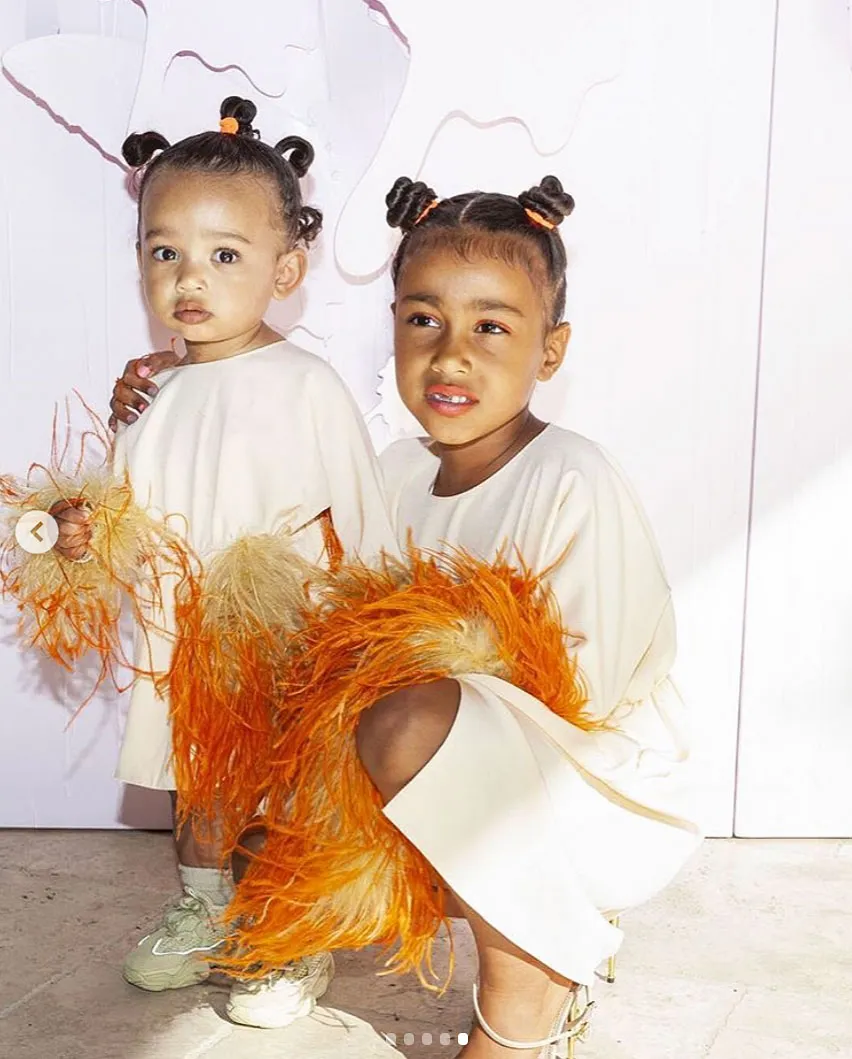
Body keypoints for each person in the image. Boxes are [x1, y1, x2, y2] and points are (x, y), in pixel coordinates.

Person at [109, 174, 702, 1057]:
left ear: (551, 350)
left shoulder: (571, 476)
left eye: (491, 327)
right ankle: (297, 922)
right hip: (446, 788)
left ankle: (531, 983)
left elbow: (587, 688)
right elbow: (302, 585)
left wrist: (416, 678)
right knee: (273, 766)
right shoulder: (392, 471)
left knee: (404, 716)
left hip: (587, 798)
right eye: (424, 320)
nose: (451, 355)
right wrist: (176, 388)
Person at [53, 95, 397, 1029]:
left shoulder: (305, 384)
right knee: (199, 781)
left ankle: (291, 930)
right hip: (179, 633)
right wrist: (84, 531)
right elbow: (126, 508)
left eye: (225, 256)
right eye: (165, 252)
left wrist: (371, 641)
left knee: (278, 785)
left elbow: (365, 517)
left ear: (286, 269)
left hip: (277, 634)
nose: (190, 278)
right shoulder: (153, 390)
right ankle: (204, 907)